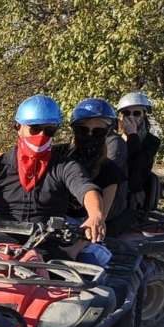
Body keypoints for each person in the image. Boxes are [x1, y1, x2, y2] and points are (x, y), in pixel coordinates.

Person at [0, 94, 105, 259]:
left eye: (49, 130)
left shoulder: (64, 166)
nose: (41, 135)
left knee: (86, 276)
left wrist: (95, 214)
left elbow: (85, 188)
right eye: (35, 129)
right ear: (18, 127)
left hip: (47, 246)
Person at [61, 98, 123, 262]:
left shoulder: (110, 171)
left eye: (97, 131)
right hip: (52, 228)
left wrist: (74, 250)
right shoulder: (59, 157)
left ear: (107, 133)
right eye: (83, 130)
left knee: (89, 264)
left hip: (84, 234)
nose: (89, 135)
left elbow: (98, 219)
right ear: (74, 130)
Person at [117, 92, 161, 217]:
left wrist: (132, 135)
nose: (131, 117)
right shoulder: (114, 139)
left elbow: (137, 164)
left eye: (136, 113)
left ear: (143, 116)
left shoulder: (152, 141)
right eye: (126, 113)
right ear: (121, 117)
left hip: (138, 191)